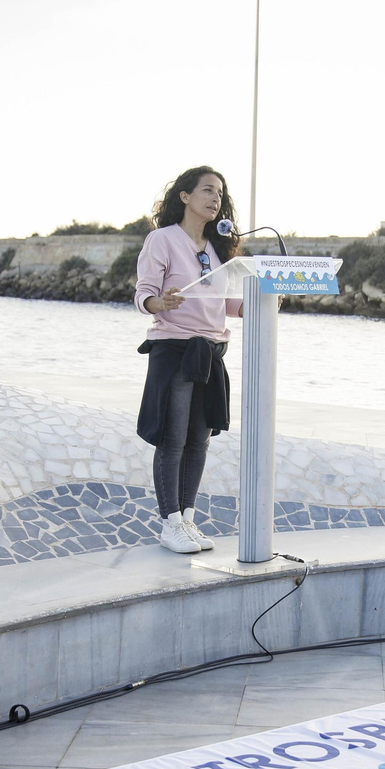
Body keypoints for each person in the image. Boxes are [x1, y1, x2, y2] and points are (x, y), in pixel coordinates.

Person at [133, 166, 242, 554]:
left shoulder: (219, 249)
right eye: (207, 190)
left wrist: (265, 302)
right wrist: (158, 302)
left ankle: (189, 520)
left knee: (200, 440)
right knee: (173, 438)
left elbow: (228, 305)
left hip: (210, 353)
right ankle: (170, 523)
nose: (215, 198)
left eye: (220, 193)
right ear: (185, 196)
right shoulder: (161, 240)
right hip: (175, 350)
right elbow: (143, 294)